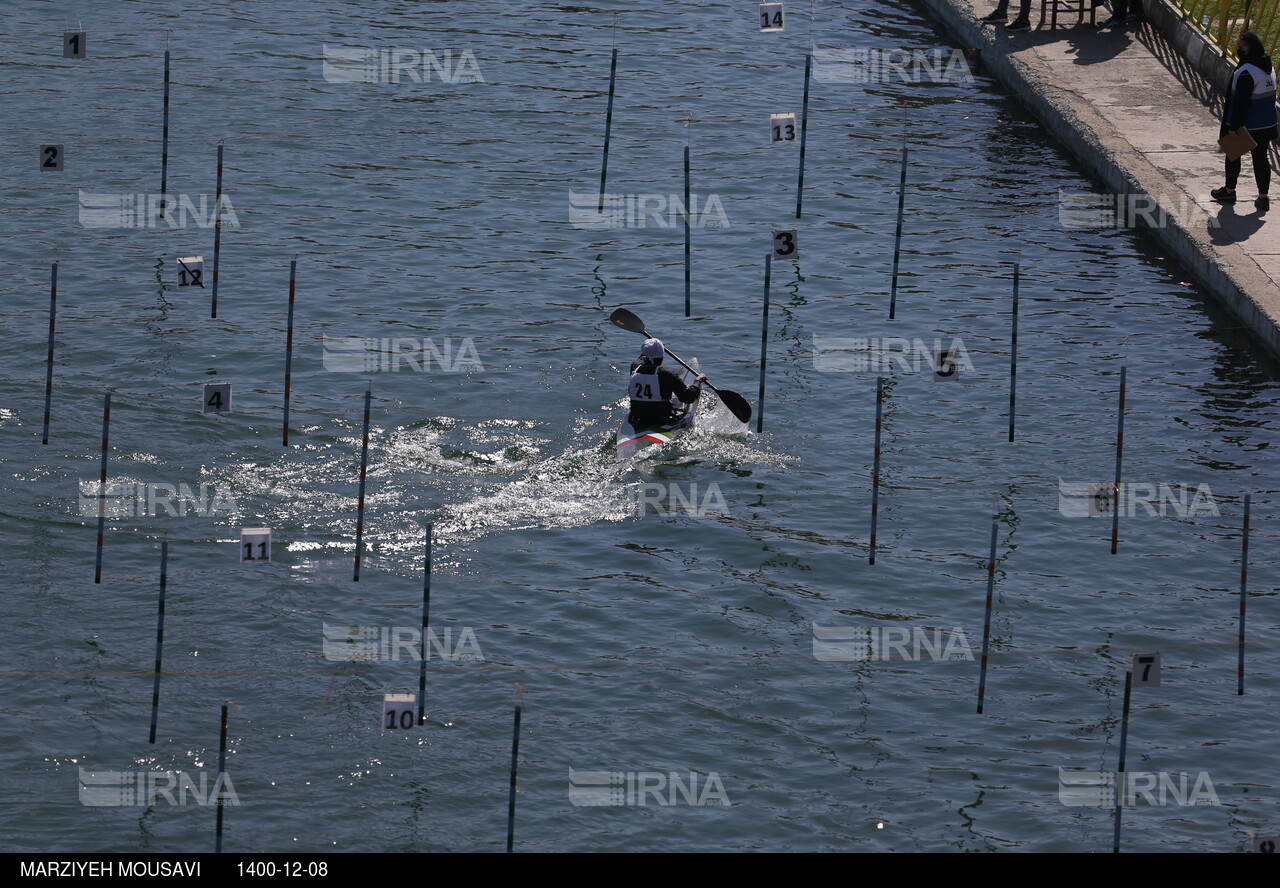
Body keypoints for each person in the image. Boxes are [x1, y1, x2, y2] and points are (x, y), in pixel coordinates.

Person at [1212, 31, 1278, 211]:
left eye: (1240, 46)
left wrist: (1233, 126)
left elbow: (1241, 102)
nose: (1238, 49)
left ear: (1249, 48)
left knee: (1232, 155)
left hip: (1248, 125)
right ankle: (1263, 198)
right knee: (1261, 158)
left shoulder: (1247, 72)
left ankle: (1229, 191)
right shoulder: (1268, 67)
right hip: (1267, 123)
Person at [628, 338, 706, 430]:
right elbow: (688, 398)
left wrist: (649, 350)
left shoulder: (634, 368)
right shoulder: (666, 374)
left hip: (638, 419)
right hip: (662, 420)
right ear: (661, 356)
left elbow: (641, 359)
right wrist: (697, 381)